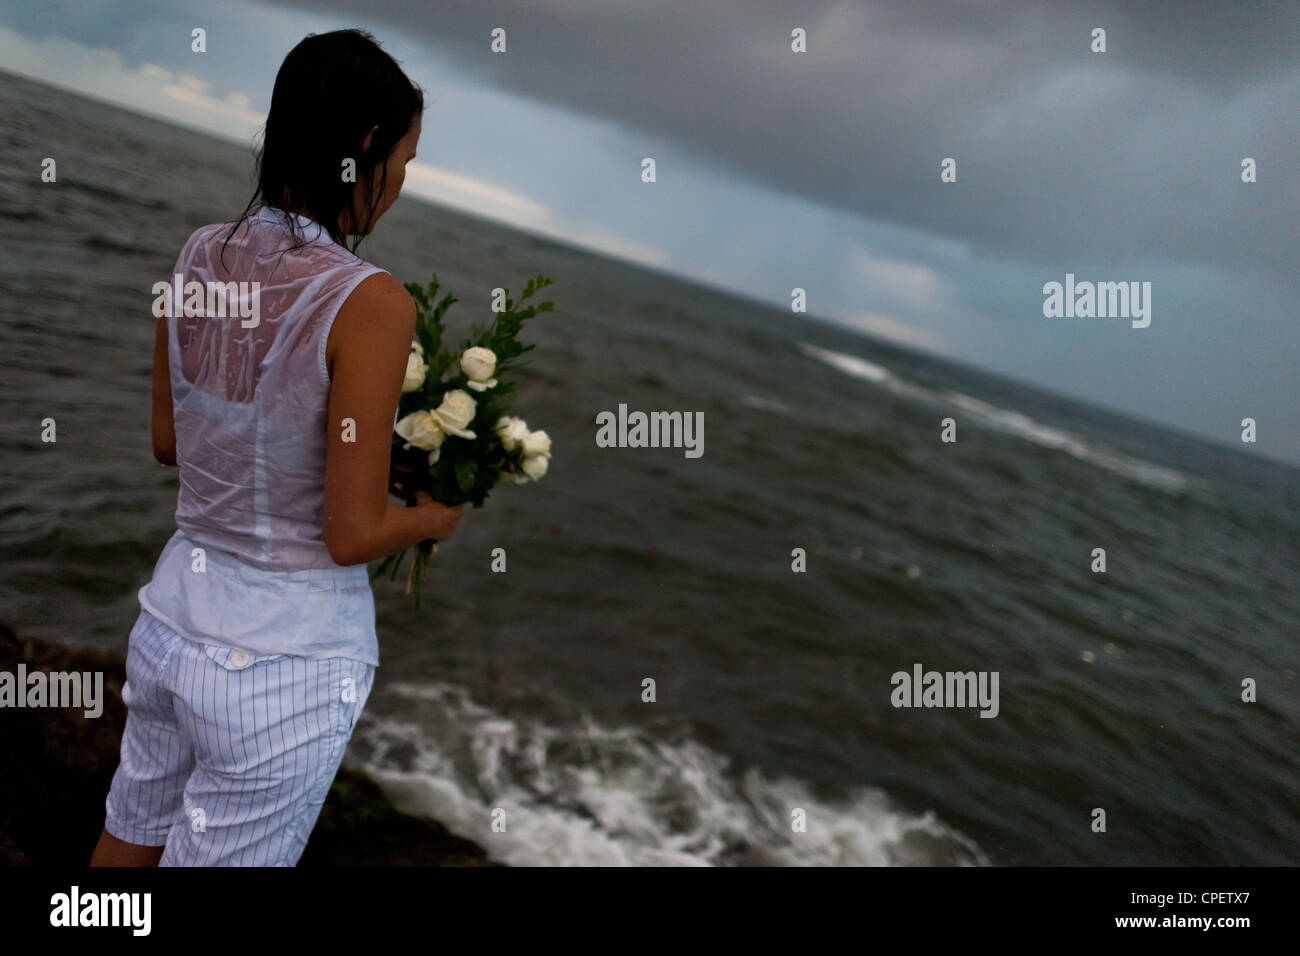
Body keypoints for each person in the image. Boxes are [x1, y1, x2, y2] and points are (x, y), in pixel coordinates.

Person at [90, 29, 462, 866]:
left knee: (127, 843)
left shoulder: (196, 253)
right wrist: (434, 518)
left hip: (171, 619)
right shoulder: (372, 302)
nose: (399, 184)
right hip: (279, 663)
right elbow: (350, 535)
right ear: (366, 147)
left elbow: (167, 441)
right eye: (403, 159)